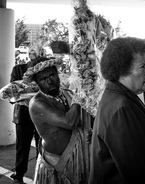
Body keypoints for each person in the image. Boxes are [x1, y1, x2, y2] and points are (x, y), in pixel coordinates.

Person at [89, 37, 145, 184]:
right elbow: (140, 175)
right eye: (143, 66)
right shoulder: (122, 109)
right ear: (122, 70)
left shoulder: (122, 97)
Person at [23, 57, 89, 184]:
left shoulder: (66, 93)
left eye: (52, 75)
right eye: (43, 79)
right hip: (55, 162)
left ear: (57, 74)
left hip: (77, 157)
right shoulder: (37, 103)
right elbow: (69, 123)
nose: (49, 81)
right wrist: (78, 94)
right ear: (36, 83)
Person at [9, 56, 40, 184]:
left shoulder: (42, 70)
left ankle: (41, 174)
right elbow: (12, 89)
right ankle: (19, 175)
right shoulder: (18, 69)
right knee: (22, 146)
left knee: (42, 146)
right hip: (23, 114)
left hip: (41, 113)